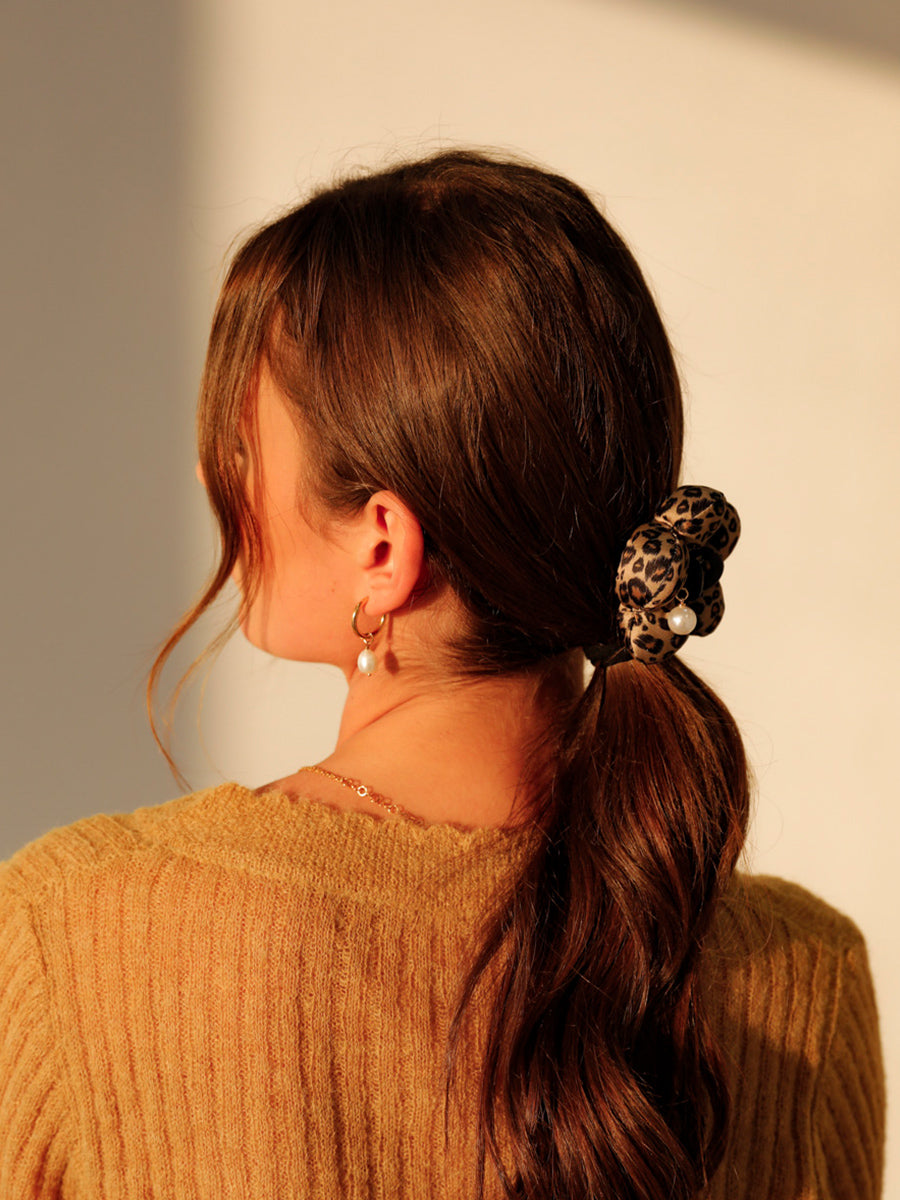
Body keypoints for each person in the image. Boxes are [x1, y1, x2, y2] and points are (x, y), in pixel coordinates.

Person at [0, 150, 884, 1200]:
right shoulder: (806, 977)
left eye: (239, 447)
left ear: (383, 545)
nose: (207, 474)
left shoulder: (76, 929)